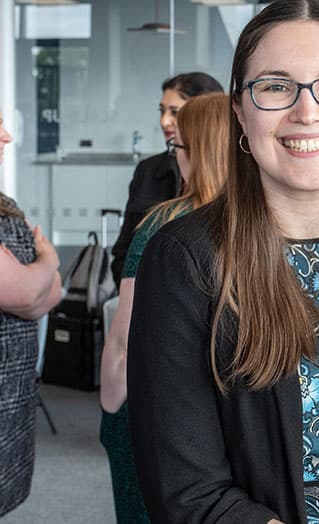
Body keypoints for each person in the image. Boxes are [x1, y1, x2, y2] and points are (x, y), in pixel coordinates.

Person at [128, 0, 319, 523]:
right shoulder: (185, 260)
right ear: (240, 109)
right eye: (276, 87)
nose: (307, 111)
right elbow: (188, 494)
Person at [99, 93, 230, 523]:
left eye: (178, 147)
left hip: (154, 409)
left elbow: (124, 340)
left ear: (201, 151)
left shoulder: (164, 223)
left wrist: (110, 410)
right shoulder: (259, 226)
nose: (174, 156)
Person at [0, 110, 61, 516]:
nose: (7, 137)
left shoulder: (7, 207)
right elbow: (25, 293)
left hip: (12, 395)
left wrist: (36, 282)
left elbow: (47, 296)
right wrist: (48, 260)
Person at [110, 72, 224, 288]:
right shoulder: (148, 171)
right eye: (162, 111)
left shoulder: (246, 181)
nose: (164, 121)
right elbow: (123, 254)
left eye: (175, 112)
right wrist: (135, 293)